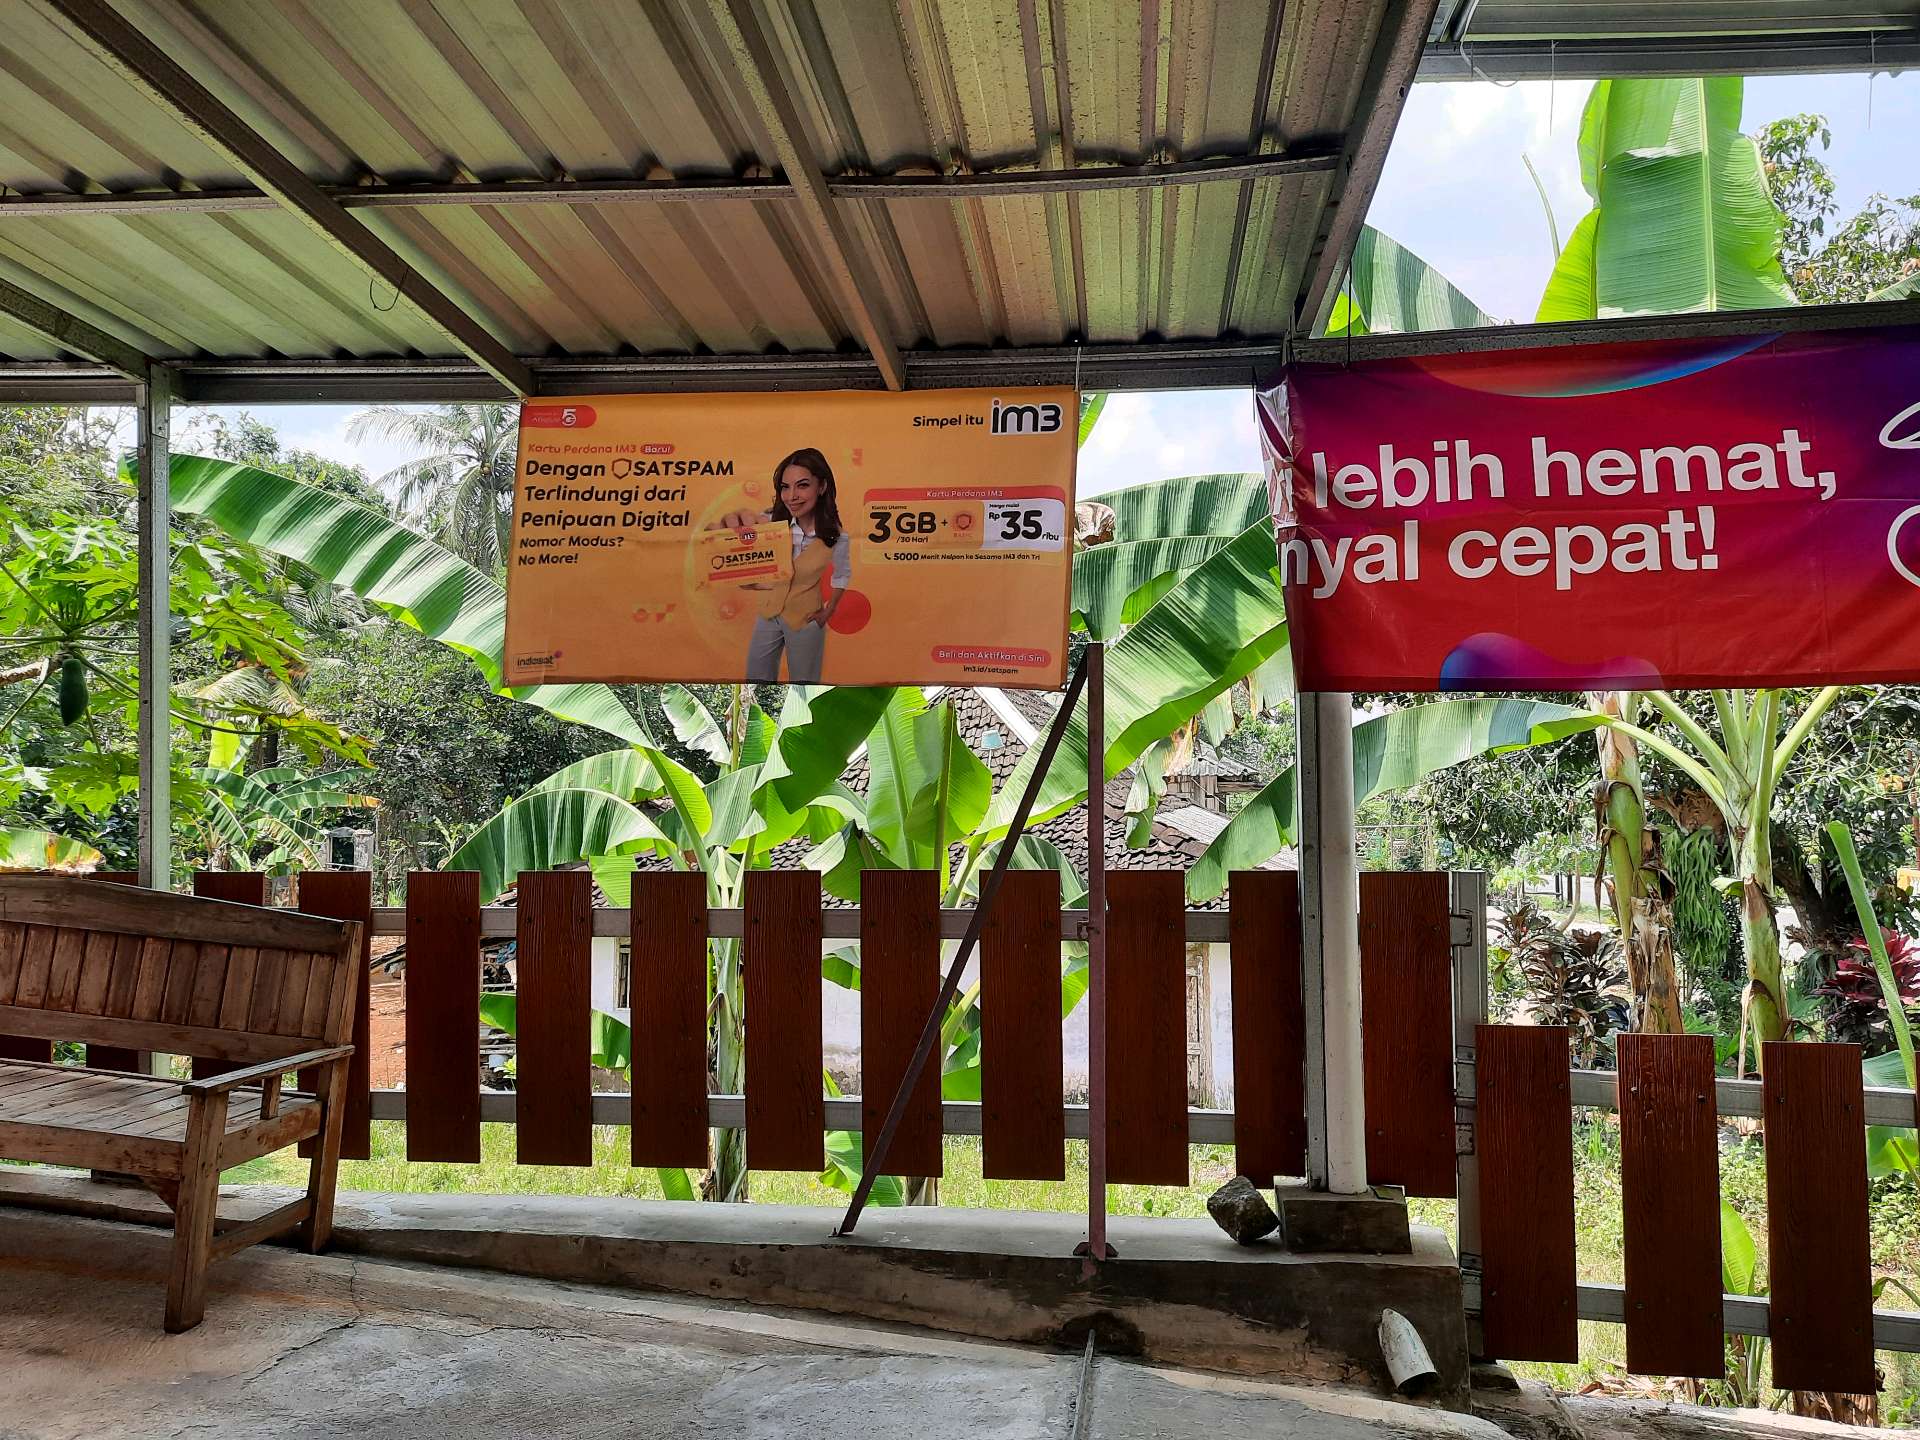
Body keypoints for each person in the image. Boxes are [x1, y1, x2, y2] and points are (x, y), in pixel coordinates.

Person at [720, 448, 850, 684]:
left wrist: (828, 611)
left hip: (806, 618)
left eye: (802, 485)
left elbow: (841, 575)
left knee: (804, 683)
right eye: (785, 487)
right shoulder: (768, 521)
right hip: (768, 614)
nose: (791, 496)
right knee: (756, 678)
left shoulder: (837, 536)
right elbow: (745, 565)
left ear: (822, 486)